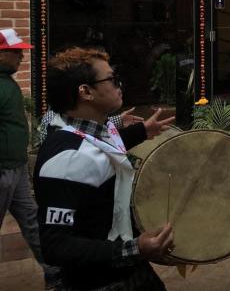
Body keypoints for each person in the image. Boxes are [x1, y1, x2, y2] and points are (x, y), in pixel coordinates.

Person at [35, 47, 176, 290]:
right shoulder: (67, 159)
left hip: (126, 268)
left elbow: (102, 146)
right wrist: (134, 248)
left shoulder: (91, 130)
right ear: (86, 92)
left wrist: (142, 131)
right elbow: (54, 245)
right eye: (112, 79)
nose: (119, 84)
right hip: (99, 280)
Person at [0, 28, 61, 289]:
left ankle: (55, 273)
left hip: (17, 168)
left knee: (33, 221)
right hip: (2, 169)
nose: (21, 57)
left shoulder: (7, 82)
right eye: (15, 52)